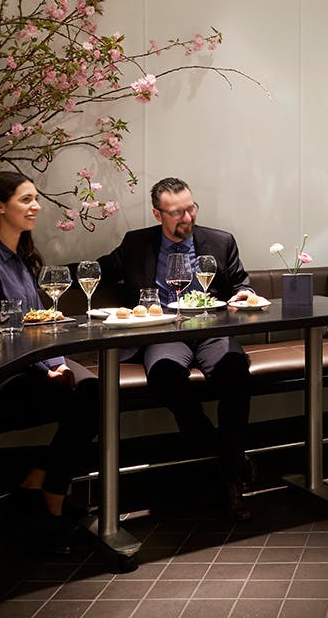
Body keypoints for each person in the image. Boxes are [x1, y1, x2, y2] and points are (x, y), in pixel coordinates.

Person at [0, 171, 100, 551]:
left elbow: (40, 320)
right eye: (26, 199)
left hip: (33, 362)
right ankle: (50, 498)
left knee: (94, 391)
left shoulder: (22, 258)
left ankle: (41, 484)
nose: (36, 206)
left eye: (35, 199)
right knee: (86, 398)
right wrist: (48, 368)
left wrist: (57, 362)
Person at [98, 176, 257, 519]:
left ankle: (227, 476)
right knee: (165, 375)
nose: (186, 217)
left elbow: (241, 282)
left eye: (190, 208)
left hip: (211, 327)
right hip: (163, 331)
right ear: (158, 214)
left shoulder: (220, 241)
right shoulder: (137, 244)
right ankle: (223, 459)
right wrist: (41, 275)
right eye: (176, 213)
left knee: (235, 371)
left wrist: (244, 293)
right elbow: (100, 270)